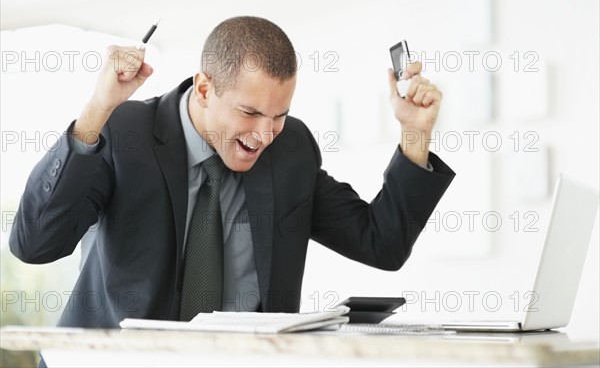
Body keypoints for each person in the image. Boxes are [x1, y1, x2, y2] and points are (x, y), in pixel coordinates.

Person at [10, 16, 455, 328]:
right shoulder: (126, 132)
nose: (265, 134)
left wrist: (414, 135)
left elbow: (382, 243)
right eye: (249, 112)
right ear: (204, 88)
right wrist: (97, 112)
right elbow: (34, 244)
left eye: (278, 115)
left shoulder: (291, 150)